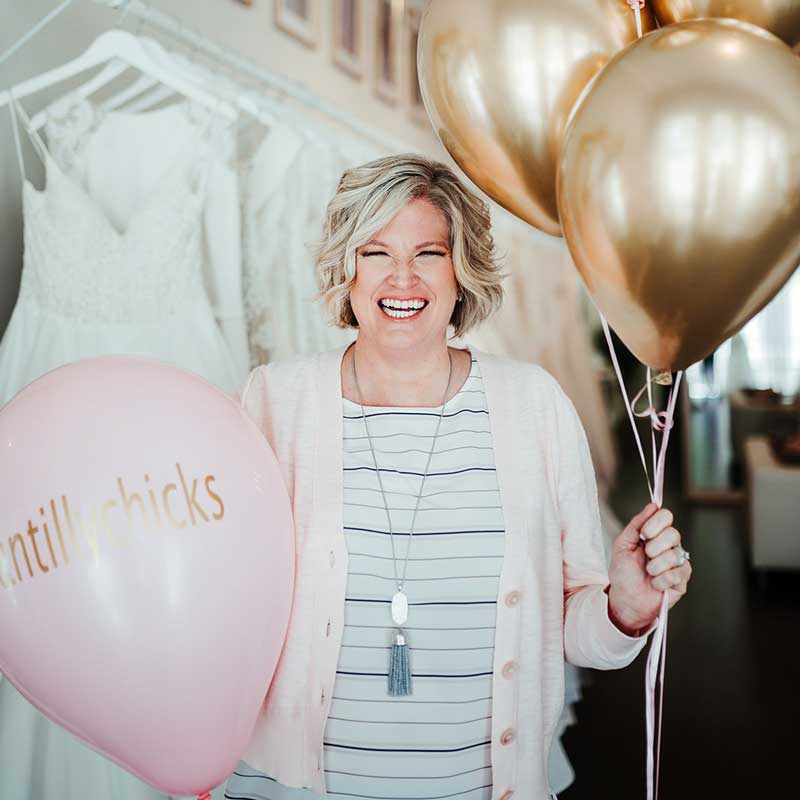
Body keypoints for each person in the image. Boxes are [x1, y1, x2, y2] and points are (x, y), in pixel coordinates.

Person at [224, 154, 692, 800]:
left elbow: (575, 630)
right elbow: (230, 600)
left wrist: (624, 608)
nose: (403, 277)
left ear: (461, 271)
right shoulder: (275, 401)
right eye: (376, 252)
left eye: (429, 254)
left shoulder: (534, 404)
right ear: (347, 268)